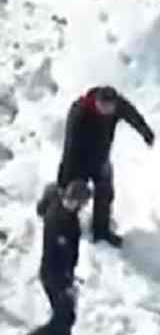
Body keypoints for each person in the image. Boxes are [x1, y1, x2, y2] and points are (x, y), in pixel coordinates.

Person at [56, 85, 154, 247]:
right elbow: (70, 148)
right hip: (78, 159)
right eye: (103, 107)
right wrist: (66, 178)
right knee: (72, 195)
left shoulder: (117, 105)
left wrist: (145, 132)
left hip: (101, 158)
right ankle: (60, 222)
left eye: (110, 108)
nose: (107, 111)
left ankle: (101, 232)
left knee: (105, 194)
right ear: (96, 102)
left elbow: (131, 114)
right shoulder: (79, 113)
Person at [24, 180, 91, 335]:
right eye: (81, 202)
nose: (82, 206)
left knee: (64, 313)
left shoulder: (65, 212)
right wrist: (66, 282)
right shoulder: (58, 219)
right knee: (65, 315)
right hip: (54, 275)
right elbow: (60, 254)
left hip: (60, 272)